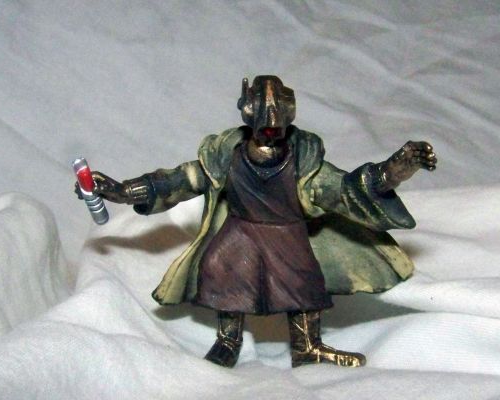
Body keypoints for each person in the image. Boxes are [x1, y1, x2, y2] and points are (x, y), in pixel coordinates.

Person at [76, 75, 437, 368]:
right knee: (224, 276)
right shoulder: (222, 157)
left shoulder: (305, 163)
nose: (270, 134)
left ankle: (307, 346)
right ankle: (227, 341)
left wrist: (393, 170)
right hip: (240, 233)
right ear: (249, 121)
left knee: (305, 287)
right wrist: (123, 190)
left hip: (288, 236)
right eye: (263, 128)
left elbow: (346, 189)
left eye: (276, 128)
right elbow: (177, 181)